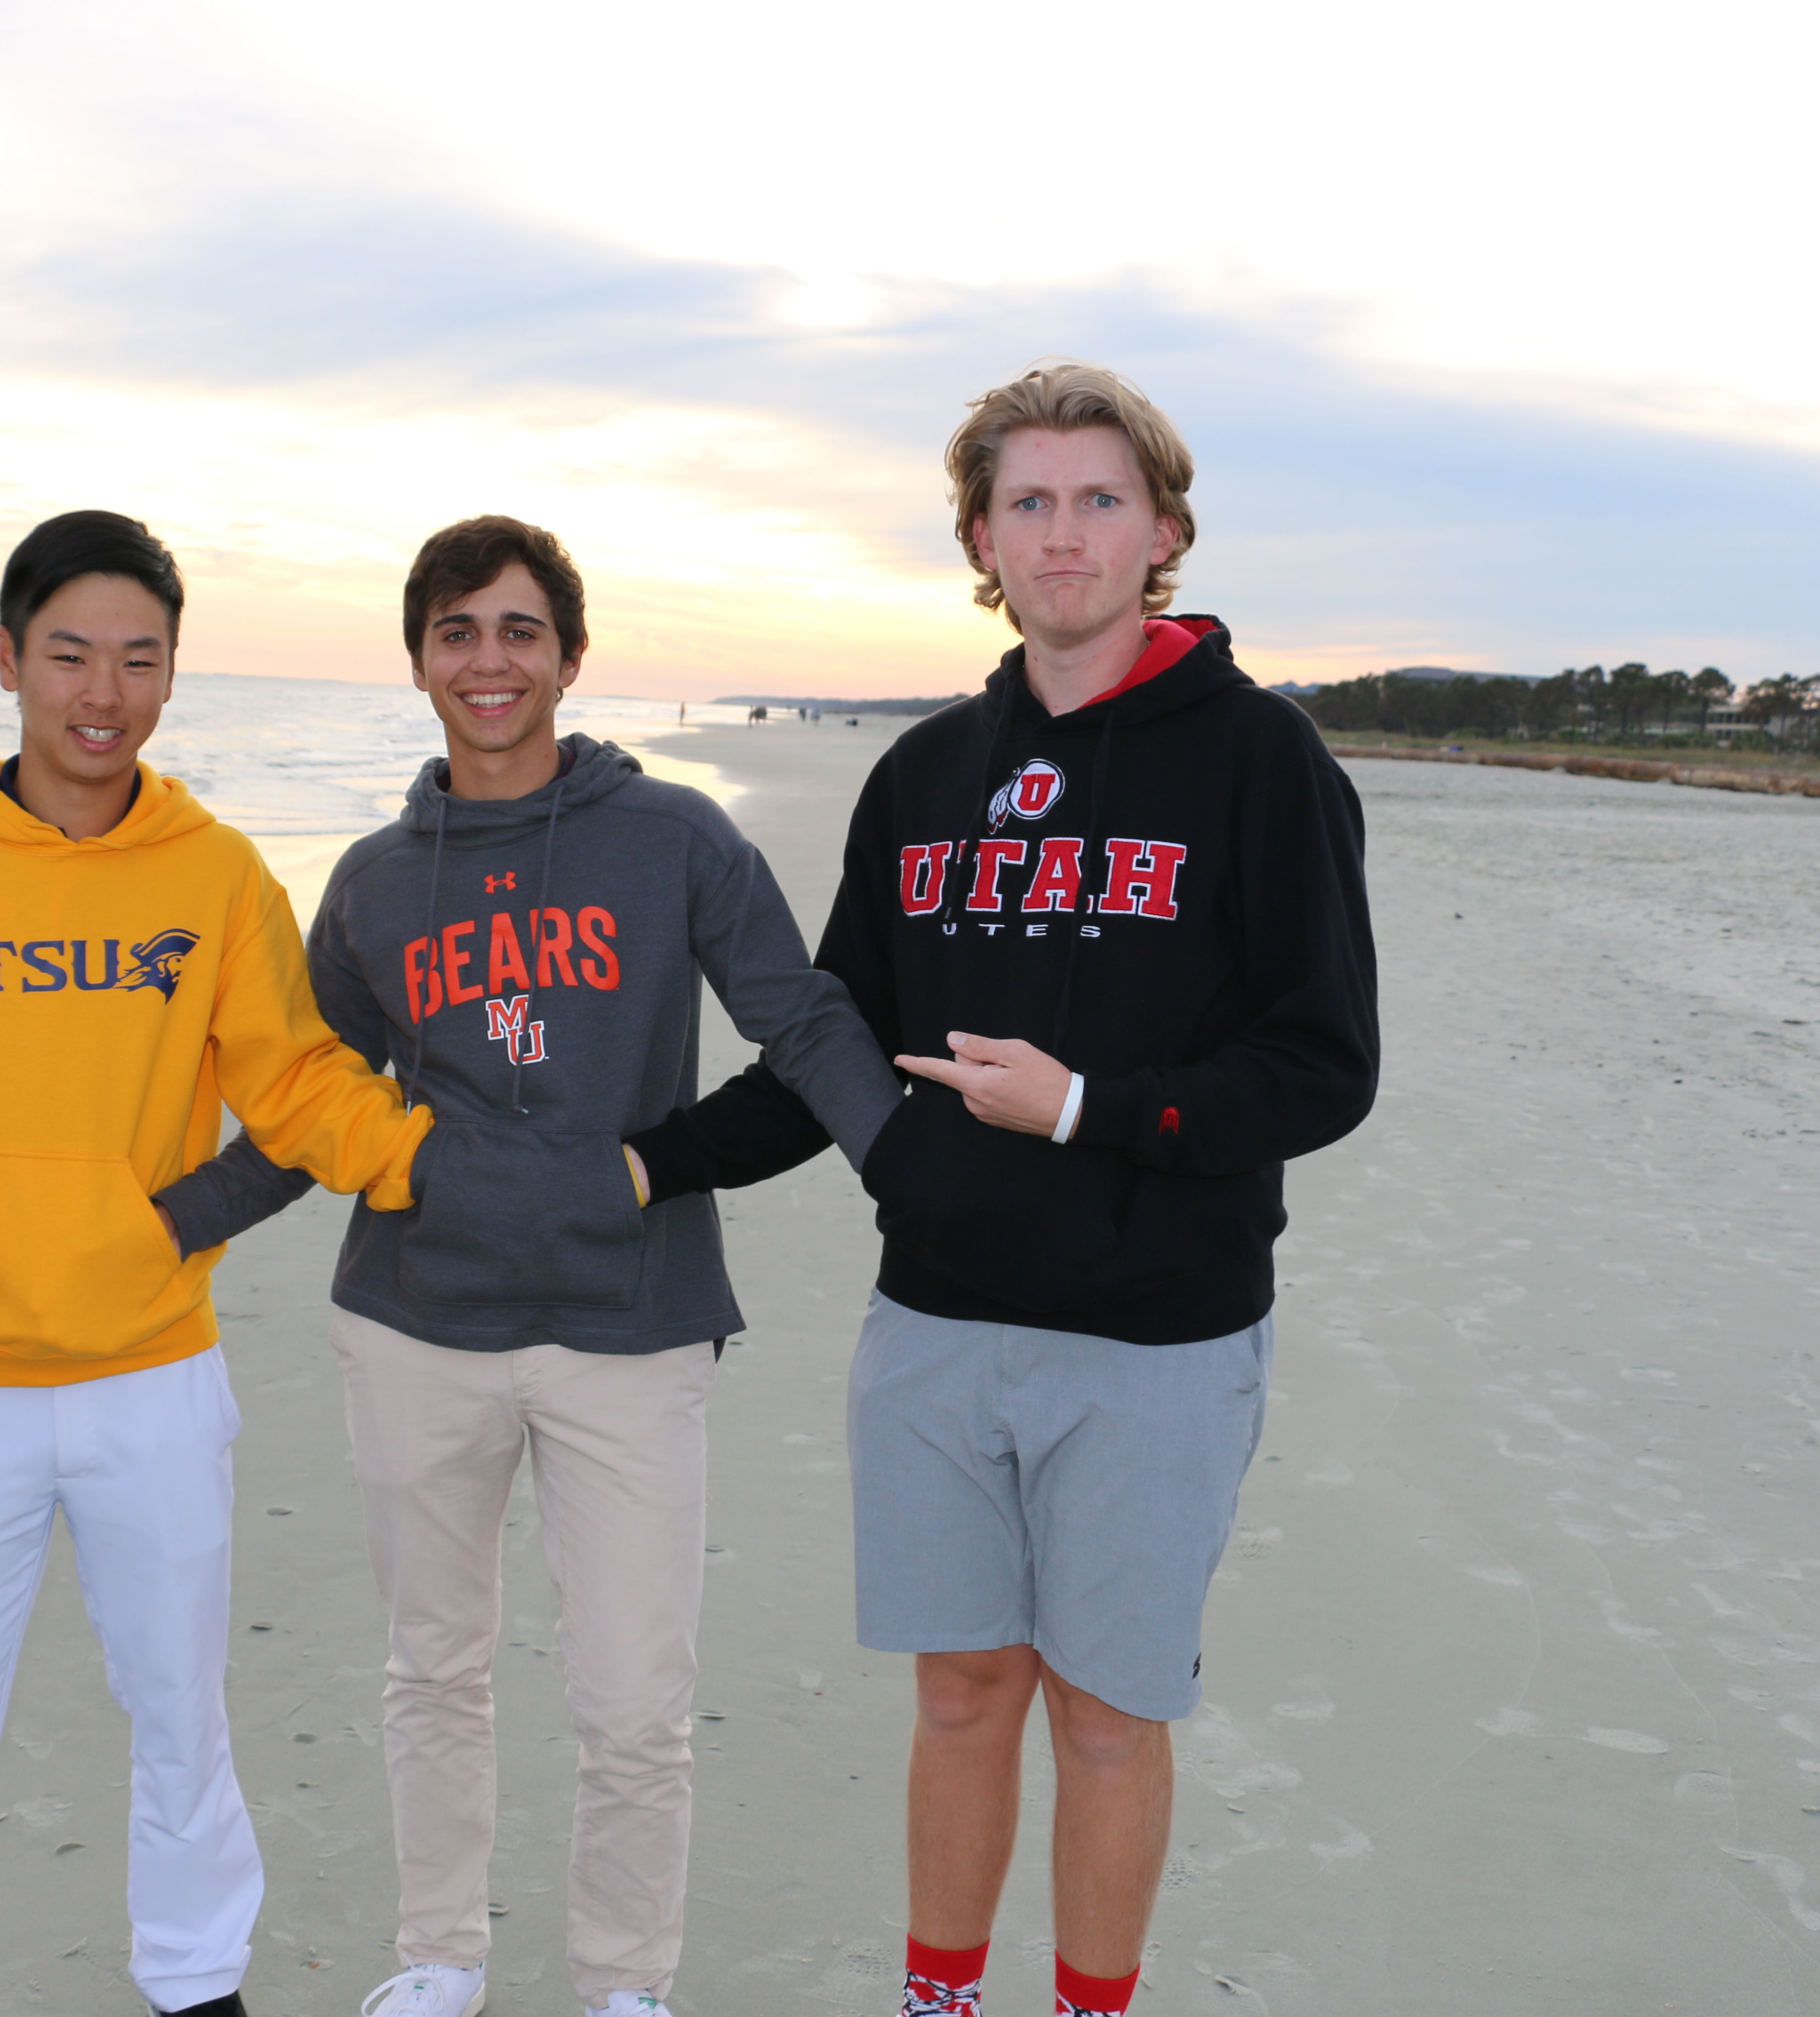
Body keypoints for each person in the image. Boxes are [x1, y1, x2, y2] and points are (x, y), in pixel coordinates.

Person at [621, 363, 1379, 2017]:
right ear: (979, 537)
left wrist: (1090, 1107)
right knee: (963, 1692)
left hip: (1159, 1336)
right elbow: (832, 1048)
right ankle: (940, 1999)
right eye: (1027, 501)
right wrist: (648, 1161)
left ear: (1164, 530)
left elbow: (1326, 1066)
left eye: (1101, 498)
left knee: (1107, 1713)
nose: (1063, 534)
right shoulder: (926, 774)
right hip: (939, 1325)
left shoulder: (1262, 760)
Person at [152, 516, 901, 2017]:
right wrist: (168, 1222)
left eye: (516, 631)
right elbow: (308, 1103)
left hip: (632, 1324)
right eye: (457, 633)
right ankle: (440, 1958)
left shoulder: (677, 838)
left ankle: (626, 1982)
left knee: (634, 1697)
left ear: (569, 655)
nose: (486, 662)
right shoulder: (373, 882)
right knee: (434, 1669)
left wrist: (914, 1175)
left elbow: (805, 1019)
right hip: (416, 1326)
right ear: (420, 660)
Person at [0, 510, 444, 2017]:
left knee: (180, 1712)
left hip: (153, 1374)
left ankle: (197, 1981)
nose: (103, 693)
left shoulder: (216, 876)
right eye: (70, 654)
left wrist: (422, 1159)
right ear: (9, 660)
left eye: (140, 660)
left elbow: (295, 1080)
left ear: (173, 676)